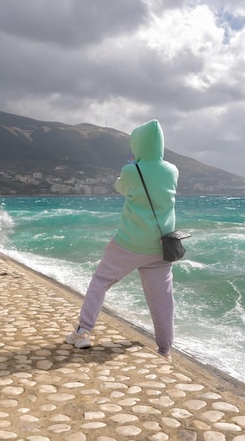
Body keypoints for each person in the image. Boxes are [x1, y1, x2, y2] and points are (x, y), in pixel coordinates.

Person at [65, 119, 179, 359]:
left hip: (128, 243)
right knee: (162, 299)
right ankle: (165, 350)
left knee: (100, 281)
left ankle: (83, 332)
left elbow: (120, 187)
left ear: (137, 145)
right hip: (161, 246)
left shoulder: (131, 170)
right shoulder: (172, 170)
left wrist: (132, 164)